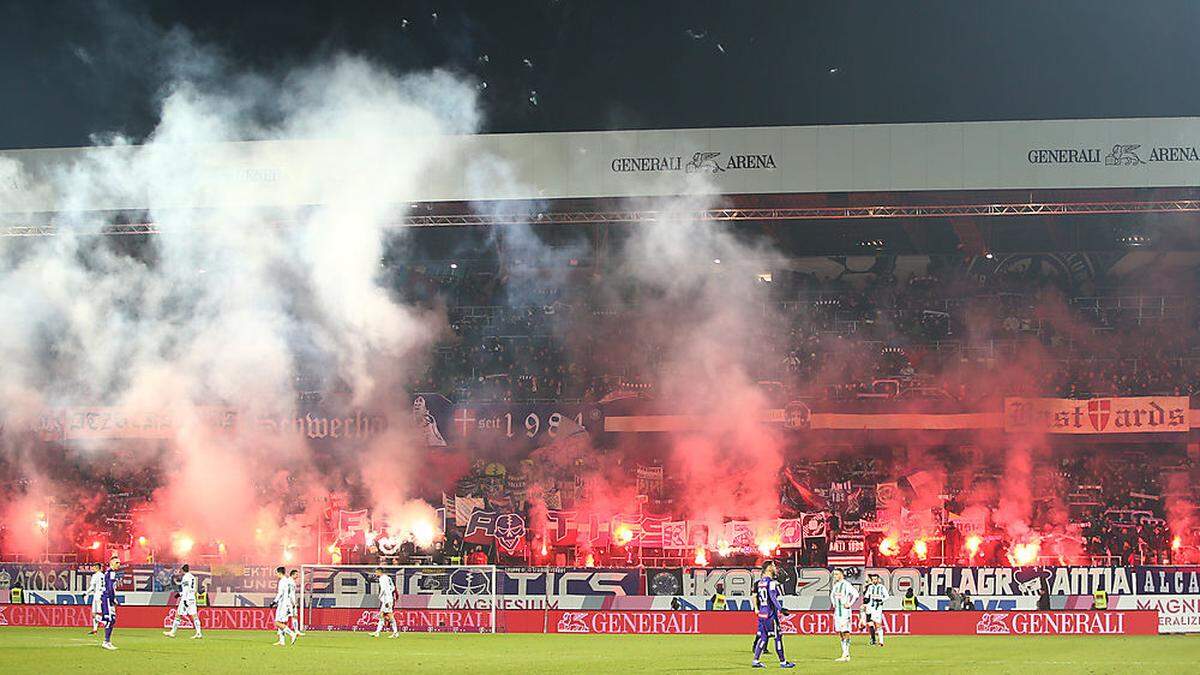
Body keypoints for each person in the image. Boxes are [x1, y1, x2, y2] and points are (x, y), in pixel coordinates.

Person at [751, 560, 795, 669]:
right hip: (771, 614)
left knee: (763, 637)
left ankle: (756, 660)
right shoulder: (771, 583)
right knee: (778, 637)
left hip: (762, 613)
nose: (775, 568)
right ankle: (783, 662)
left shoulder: (760, 582)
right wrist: (781, 609)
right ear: (769, 568)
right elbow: (772, 597)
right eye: (774, 566)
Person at [163, 563, 203, 638]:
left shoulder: (185, 578)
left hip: (186, 598)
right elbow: (193, 589)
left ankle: (173, 632)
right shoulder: (192, 577)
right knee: (194, 615)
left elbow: (186, 589)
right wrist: (179, 594)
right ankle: (198, 633)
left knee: (178, 614)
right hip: (192, 598)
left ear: (182, 570)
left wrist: (184, 599)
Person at [829, 568, 859, 662]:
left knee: (845, 631)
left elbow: (856, 594)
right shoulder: (836, 585)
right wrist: (833, 603)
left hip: (845, 612)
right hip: (837, 612)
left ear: (841, 574)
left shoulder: (846, 584)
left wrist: (849, 604)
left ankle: (846, 653)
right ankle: (845, 654)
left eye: (837, 574)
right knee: (840, 632)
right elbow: (832, 595)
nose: (835, 576)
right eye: (834, 574)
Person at [272, 566, 297, 646]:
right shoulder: (288, 581)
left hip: (283, 604)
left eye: (276, 573)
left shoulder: (282, 581)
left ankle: (292, 634)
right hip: (287, 604)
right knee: (281, 622)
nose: (276, 575)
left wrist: (274, 601)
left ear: (279, 573)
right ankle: (282, 641)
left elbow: (280, 593)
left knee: (277, 623)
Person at [99, 555, 120, 651]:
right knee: (110, 620)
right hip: (107, 598)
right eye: (116, 563)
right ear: (111, 563)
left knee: (112, 619)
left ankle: (107, 641)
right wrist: (112, 599)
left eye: (119, 563)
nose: (118, 564)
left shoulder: (108, 572)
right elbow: (110, 587)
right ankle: (106, 642)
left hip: (107, 597)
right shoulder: (111, 573)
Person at [862, 573, 890, 646]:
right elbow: (866, 596)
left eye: (875, 579)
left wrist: (881, 600)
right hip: (870, 608)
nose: (874, 580)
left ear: (878, 579)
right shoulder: (870, 587)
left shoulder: (882, 587)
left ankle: (881, 641)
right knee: (870, 623)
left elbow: (887, 596)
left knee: (878, 625)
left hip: (878, 609)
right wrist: (865, 603)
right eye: (873, 579)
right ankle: (873, 639)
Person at [371, 567, 399, 638]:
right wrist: (389, 594)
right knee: (382, 616)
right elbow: (393, 587)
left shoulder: (382, 578)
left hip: (386, 599)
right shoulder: (388, 578)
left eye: (376, 572)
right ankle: (377, 632)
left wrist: (380, 596)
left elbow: (383, 589)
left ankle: (395, 632)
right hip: (389, 598)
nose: (376, 573)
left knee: (389, 616)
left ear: (379, 572)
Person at [86, 562, 104, 635]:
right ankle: (95, 630)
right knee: (95, 613)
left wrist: (86, 593)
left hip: (97, 595)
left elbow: (92, 587)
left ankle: (105, 622)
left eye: (94, 567)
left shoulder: (95, 575)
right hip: (101, 595)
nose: (93, 568)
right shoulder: (103, 575)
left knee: (94, 614)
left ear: (97, 567)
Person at [288, 569, 304, 636]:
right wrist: (292, 602)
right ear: (293, 574)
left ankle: (296, 631)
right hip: (289, 602)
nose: (297, 576)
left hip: (291, 601)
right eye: (296, 574)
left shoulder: (292, 582)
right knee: (287, 617)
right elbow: (288, 593)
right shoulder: (289, 582)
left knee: (294, 616)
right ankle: (295, 631)